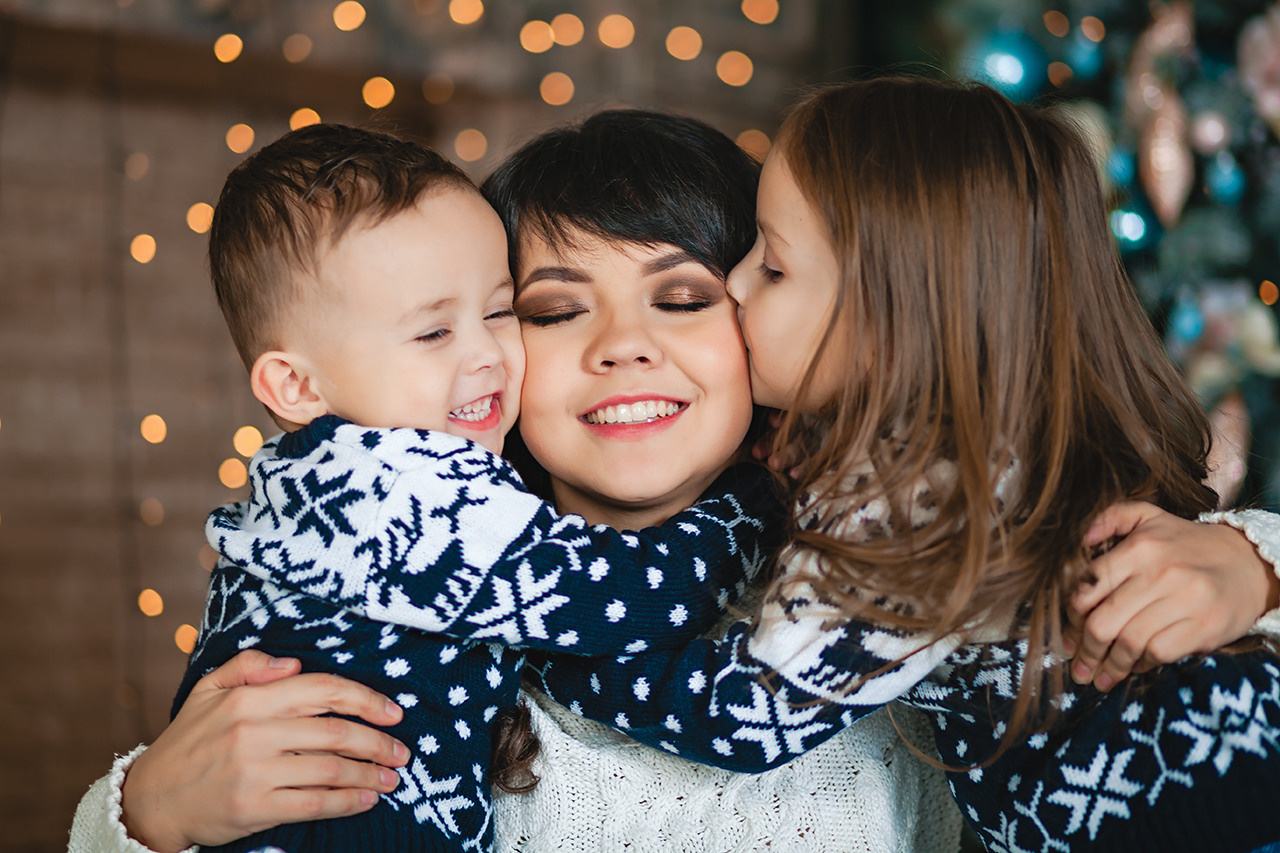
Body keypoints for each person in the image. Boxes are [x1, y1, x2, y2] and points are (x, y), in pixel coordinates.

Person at [70, 105, 1280, 852]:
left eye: (690, 294)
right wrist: (142, 817)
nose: (620, 346)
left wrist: (1257, 562)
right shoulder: (433, 585)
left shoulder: (869, 547)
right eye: (546, 310)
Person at [518, 78, 1280, 852]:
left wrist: (549, 650)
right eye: (550, 311)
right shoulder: (953, 471)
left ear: (889, 322)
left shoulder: (920, 492)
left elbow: (748, 714)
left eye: (771, 268)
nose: (738, 286)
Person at [123, 121, 785, 853]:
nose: (486, 355)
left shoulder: (865, 618)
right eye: (554, 312)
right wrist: (141, 814)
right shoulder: (398, 496)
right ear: (295, 384)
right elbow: (634, 596)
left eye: (498, 312)